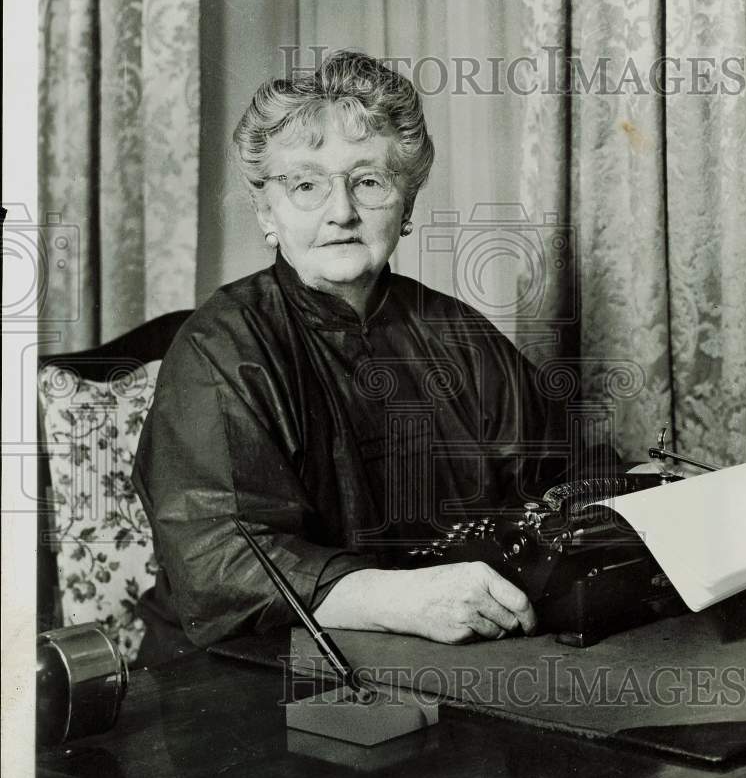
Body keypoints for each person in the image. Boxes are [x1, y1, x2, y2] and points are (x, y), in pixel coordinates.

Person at [132, 50, 559, 665]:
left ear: (406, 206)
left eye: (368, 181)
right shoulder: (219, 348)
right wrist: (405, 599)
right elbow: (221, 560)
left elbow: (564, 474)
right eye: (306, 184)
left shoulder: (456, 332)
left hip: (433, 667)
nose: (341, 212)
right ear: (265, 211)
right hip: (239, 676)